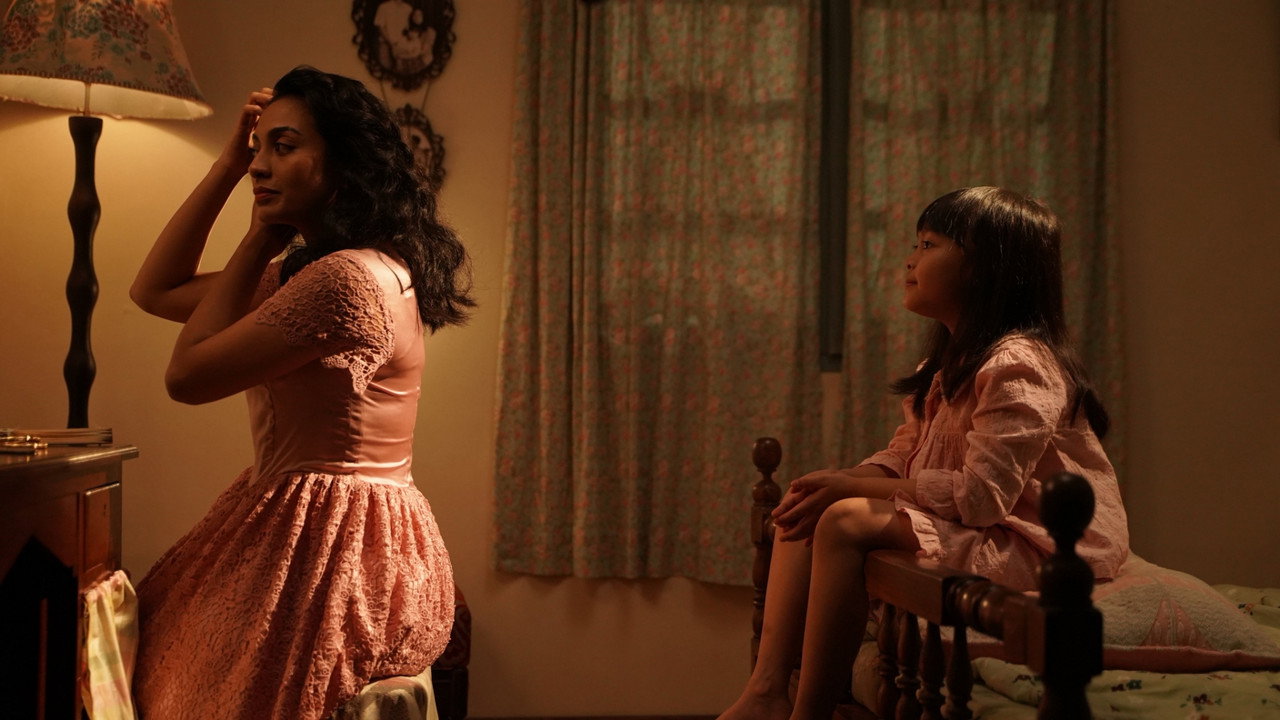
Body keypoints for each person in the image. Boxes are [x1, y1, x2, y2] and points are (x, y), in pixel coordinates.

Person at [128, 66, 473, 720]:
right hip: (330, 516)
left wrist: (261, 232)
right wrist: (228, 166)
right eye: (256, 148)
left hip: (335, 536)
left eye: (282, 147)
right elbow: (156, 290)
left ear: (344, 162)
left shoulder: (344, 281)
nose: (260, 165)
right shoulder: (331, 270)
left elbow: (187, 376)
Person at [717, 187, 1129, 720]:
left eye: (929, 244)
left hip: (1040, 543)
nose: (910, 259)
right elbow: (907, 451)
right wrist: (841, 478)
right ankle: (767, 689)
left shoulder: (1019, 365)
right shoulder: (950, 363)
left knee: (844, 519)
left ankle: (808, 713)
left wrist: (853, 490)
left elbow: (980, 498)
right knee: (808, 503)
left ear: (985, 267)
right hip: (991, 523)